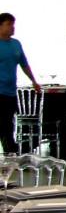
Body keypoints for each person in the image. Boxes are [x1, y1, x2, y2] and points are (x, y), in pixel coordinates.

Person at [0, 12, 40, 154]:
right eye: (9, 24)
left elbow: (24, 64)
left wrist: (34, 81)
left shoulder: (16, 44)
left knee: (8, 124)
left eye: (13, 24)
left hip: (11, 92)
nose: (12, 28)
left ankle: (10, 153)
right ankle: (11, 152)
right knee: (4, 125)